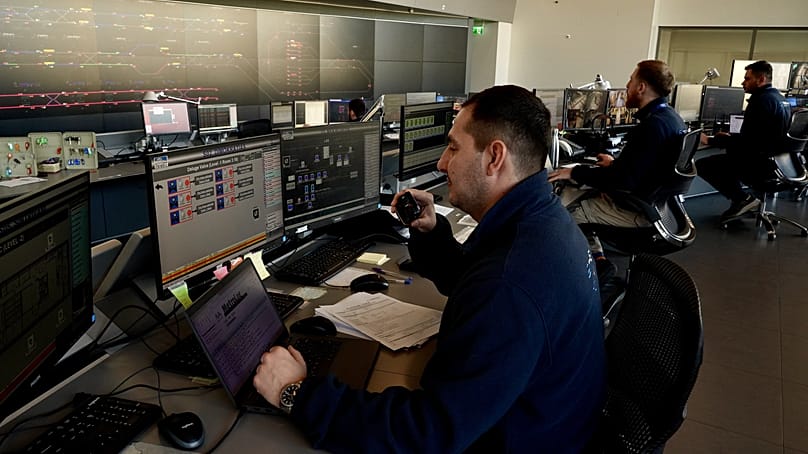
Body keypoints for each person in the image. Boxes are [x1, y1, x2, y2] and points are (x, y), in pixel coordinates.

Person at [253, 85, 606, 452]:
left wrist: (297, 394)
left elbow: (428, 434)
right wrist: (432, 231)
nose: (441, 163)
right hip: (546, 424)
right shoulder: (543, 222)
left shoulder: (510, 280)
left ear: (494, 157)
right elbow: (473, 282)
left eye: (453, 147)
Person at [548, 59, 686, 265]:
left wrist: (575, 171)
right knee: (588, 197)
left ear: (641, 87)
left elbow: (623, 181)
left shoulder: (651, 126)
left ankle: (590, 272)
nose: (627, 86)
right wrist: (614, 165)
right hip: (657, 207)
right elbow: (642, 169)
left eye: (631, 81)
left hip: (639, 211)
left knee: (566, 213)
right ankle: (599, 259)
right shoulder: (671, 118)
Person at [695, 60, 790, 222]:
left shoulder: (760, 101)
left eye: (747, 79)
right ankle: (745, 201)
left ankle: (743, 200)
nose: (742, 82)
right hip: (781, 165)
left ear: (760, 80)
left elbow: (748, 145)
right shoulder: (780, 99)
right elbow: (760, 137)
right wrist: (732, 139)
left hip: (759, 165)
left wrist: (713, 141)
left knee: (705, 164)